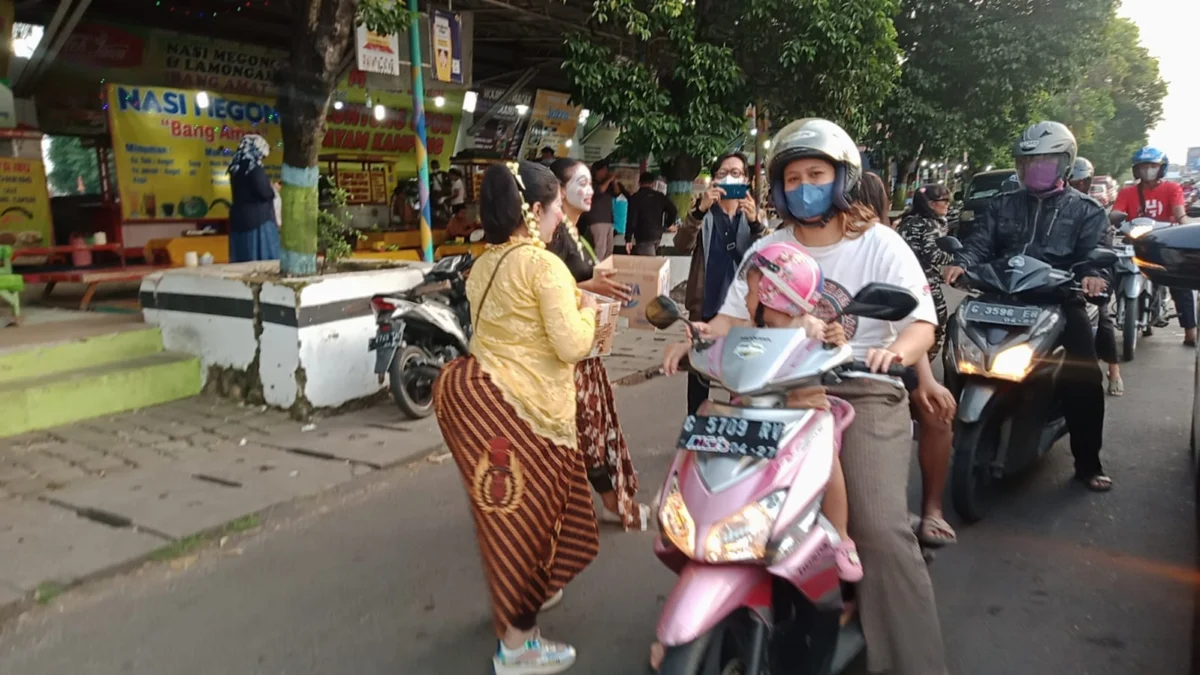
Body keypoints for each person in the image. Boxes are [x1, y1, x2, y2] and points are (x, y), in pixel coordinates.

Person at [662, 118, 947, 675]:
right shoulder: (768, 247)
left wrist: (898, 354)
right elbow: (729, 319)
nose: (803, 186)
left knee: (880, 531)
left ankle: (916, 661)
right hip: (771, 391)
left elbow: (920, 323)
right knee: (718, 503)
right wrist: (693, 336)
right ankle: (705, 614)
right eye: (792, 178)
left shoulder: (879, 244)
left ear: (842, 178)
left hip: (861, 388)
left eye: (816, 174)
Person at [433, 161, 600, 674]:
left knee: (503, 522)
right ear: (534, 211)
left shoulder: (484, 264)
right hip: (534, 415)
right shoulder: (543, 264)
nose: (557, 224)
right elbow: (571, 343)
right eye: (554, 213)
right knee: (532, 526)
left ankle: (529, 602)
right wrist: (589, 312)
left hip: (487, 407)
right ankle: (519, 645)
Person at [944, 121, 1112, 492]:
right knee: (954, 343)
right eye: (1028, 163)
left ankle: (1088, 463)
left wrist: (1094, 276)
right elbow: (978, 245)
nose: (1034, 170)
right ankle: (949, 421)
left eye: (1045, 163)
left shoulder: (1086, 210)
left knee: (1084, 378)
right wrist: (963, 264)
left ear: (1065, 164)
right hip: (998, 296)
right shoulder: (1001, 203)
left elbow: (1095, 256)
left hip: (1059, 300)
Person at [742, 240, 861, 580]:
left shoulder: (810, 327)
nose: (747, 301)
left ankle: (841, 537)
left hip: (805, 414)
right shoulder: (755, 330)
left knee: (827, 463)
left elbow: (834, 344)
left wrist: (835, 341)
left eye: (752, 293)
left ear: (772, 295)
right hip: (760, 412)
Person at [549, 157, 648, 531]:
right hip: (570, 354)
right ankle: (610, 503)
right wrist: (593, 286)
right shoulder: (553, 237)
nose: (589, 191)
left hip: (589, 347)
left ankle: (607, 502)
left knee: (595, 427)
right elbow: (550, 292)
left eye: (591, 183)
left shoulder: (575, 232)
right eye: (581, 183)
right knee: (586, 431)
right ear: (558, 190)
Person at [674, 152, 766, 414]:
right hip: (706, 304)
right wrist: (699, 211)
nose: (729, 178)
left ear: (746, 180)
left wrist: (756, 223)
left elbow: (767, 259)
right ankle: (697, 427)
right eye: (723, 173)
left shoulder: (752, 218)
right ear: (714, 180)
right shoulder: (705, 215)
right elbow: (681, 245)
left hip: (742, 311)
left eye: (736, 173)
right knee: (699, 375)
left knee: (740, 374)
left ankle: (736, 430)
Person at [896, 184, 961, 546]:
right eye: (939, 199)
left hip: (904, 342)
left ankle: (931, 509)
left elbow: (915, 329)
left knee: (936, 409)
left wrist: (925, 380)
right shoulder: (907, 234)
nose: (944, 204)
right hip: (836, 372)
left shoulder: (881, 245)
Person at [1110, 146, 1196, 346]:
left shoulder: (1172, 189)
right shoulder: (1127, 192)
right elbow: (1116, 213)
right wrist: (1112, 221)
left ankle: (1190, 330)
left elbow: (1178, 213)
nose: (1147, 170)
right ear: (1136, 170)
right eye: (1143, 166)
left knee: (1180, 282)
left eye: (1152, 166)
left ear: (1161, 168)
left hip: (1163, 243)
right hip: (1134, 242)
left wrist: (1185, 228)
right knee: (1112, 271)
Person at [1070, 157, 1123, 395]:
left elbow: (1101, 247)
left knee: (1101, 316)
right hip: (1048, 278)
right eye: (1073, 181)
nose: (1076, 186)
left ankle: (1113, 370)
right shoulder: (1044, 208)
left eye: (1081, 182)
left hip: (1087, 274)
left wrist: (1092, 274)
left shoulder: (1093, 210)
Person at [227, 135, 281, 262]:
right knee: (262, 261)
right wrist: (273, 189)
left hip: (238, 220)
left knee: (243, 259)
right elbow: (264, 192)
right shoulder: (254, 168)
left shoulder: (235, 167)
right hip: (257, 220)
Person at [577, 158, 624, 260]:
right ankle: (596, 269)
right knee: (600, 248)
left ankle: (605, 267)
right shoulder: (591, 183)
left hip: (608, 220)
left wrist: (614, 181)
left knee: (609, 248)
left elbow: (617, 193)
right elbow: (599, 191)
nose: (606, 172)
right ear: (597, 171)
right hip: (597, 220)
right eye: (604, 170)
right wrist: (609, 180)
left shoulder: (608, 185)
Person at [626, 172, 678, 255]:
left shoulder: (635, 198)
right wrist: (667, 224)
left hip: (643, 236)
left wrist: (628, 238)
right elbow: (673, 210)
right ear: (653, 184)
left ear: (639, 183)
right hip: (657, 235)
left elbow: (631, 219)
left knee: (648, 265)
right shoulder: (660, 197)